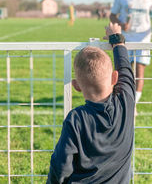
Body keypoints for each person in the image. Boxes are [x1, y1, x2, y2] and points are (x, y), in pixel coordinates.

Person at [46, 22, 135, 184]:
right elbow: (125, 69)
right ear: (115, 78)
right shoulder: (126, 103)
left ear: (76, 86)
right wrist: (117, 39)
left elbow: (61, 166)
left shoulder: (76, 119)